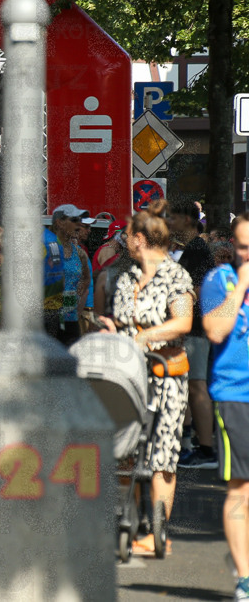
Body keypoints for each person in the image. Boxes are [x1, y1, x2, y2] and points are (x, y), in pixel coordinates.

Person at [100, 200, 193, 557]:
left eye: (127, 236)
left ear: (140, 239)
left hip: (164, 374)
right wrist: (112, 329)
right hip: (129, 374)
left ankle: (158, 530)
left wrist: (146, 336)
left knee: (162, 453)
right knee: (126, 447)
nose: (124, 241)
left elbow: (182, 322)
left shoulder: (175, 275)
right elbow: (122, 321)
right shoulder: (126, 277)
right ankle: (127, 517)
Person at [200, 212, 249, 600]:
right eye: (244, 247)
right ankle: (244, 579)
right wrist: (241, 287)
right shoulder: (220, 280)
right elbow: (216, 330)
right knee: (241, 488)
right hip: (236, 396)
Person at [170, 200, 218, 469]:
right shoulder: (192, 248)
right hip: (192, 327)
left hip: (195, 328)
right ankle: (192, 444)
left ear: (187, 220)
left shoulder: (197, 249)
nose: (170, 223)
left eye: (174, 218)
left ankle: (206, 449)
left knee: (197, 386)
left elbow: (197, 291)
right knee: (191, 386)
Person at [50, 204, 92, 346]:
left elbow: (86, 278)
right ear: (59, 223)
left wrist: (76, 300)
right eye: (74, 220)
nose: (79, 225)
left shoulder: (79, 253)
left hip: (71, 321)